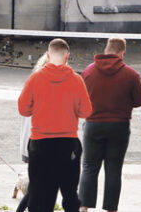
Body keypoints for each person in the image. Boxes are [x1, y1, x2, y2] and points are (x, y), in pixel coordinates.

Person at [18, 38, 92, 212]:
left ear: (48, 55)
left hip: (40, 143)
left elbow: (23, 109)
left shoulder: (35, 79)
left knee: (39, 192)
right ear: (67, 56)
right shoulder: (76, 80)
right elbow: (86, 112)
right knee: (69, 193)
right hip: (67, 144)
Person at [78, 37, 141, 212]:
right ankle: (111, 208)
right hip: (119, 126)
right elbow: (139, 100)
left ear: (106, 50)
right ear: (122, 52)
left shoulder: (88, 72)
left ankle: (84, 206)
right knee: (114, 169)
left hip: (93, 124)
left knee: (89, 167)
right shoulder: (131, 74)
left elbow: (81, 99)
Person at [17, 54, 49, 212]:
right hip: (41, 140)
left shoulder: (31, 83)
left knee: (38, 183)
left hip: (31, 141)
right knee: (40, 184)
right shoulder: (47, 86)